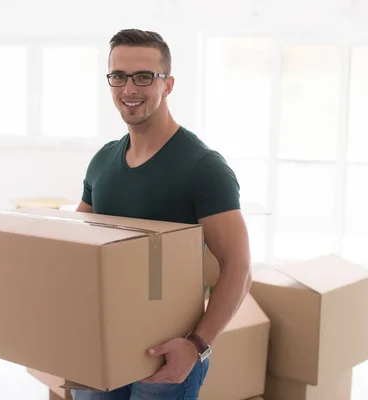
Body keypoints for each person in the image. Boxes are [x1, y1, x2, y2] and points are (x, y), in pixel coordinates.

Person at [73, 29, 252, 400]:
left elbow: (239, 267)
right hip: (101, 339)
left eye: (143, 77)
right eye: (118, 76)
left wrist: (196, 345)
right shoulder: (102, 161)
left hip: (167, 355)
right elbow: (74, 246)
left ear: (167, 85)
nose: (129, 89)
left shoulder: (203, 167)